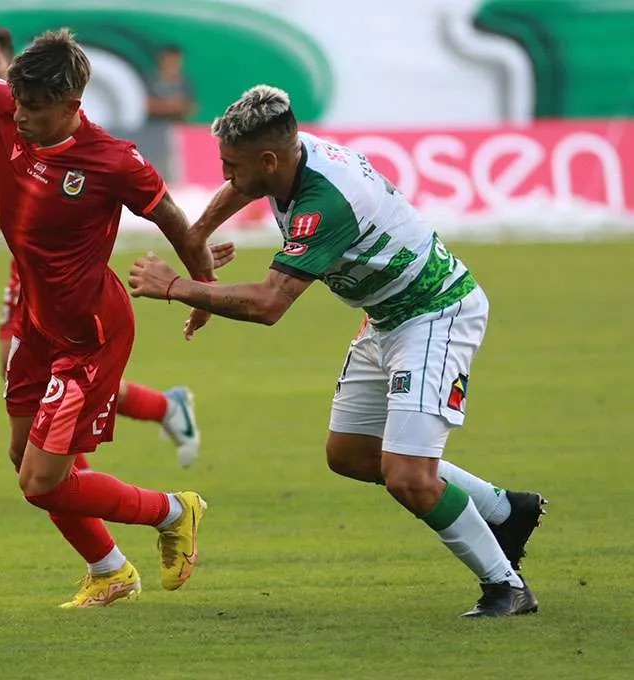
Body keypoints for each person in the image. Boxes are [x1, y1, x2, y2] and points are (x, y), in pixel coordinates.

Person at [128, 85, 547, 618]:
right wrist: (198, 241)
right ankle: (504, 509)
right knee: (349, 454)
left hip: (435, 315)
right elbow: (244, 189)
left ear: (269, 159)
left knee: (409, 477)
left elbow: (269, 304)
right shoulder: (289, 160)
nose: (225, 175)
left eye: (231, 164)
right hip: (384, 316)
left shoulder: (326, 203)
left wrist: (175, 287)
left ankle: (506, 587)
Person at [0, 12, 214, 608]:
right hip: (36, 320)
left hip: (89, 335)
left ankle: (173, 510)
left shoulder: (114, 161)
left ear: (72, 102)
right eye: (17, 102)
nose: (19, 116)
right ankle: (110, 571)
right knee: (20, 456)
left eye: (34, 107)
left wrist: (200, 287)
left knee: (40, 482)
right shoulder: (5, 105)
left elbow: (175, 221)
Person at [0, 22, 210, 469]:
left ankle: (128, 459)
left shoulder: (105, 156)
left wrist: (202, 284)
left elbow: (173, 219)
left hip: (75, 294)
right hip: (29, 272)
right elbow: (2, 202)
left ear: (8, 64)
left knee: (45, 457)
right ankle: (124, 432)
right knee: (24, 407)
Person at [145, 45, 195, 123]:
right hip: (153, 125)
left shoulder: (185, 82)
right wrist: (169, 106)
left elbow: (192, 108)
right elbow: (145, 105)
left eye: (175, 60)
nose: (172, 63)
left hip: (178, 126)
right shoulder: (150, 80)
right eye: (169, 59)